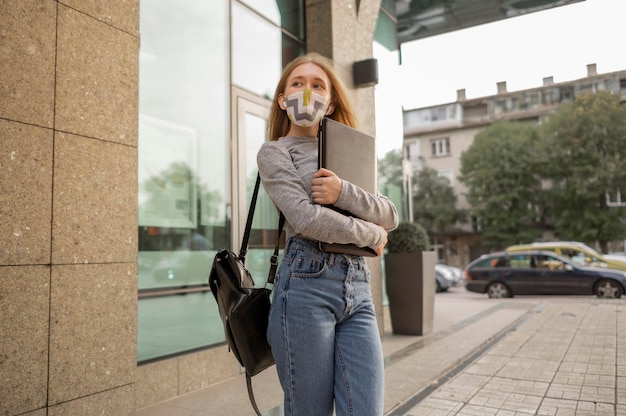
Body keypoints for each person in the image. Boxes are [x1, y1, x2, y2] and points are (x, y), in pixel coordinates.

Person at [257, 52, 399, 416]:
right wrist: (371, 235)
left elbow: (391, 214)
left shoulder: (348, 152)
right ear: (282, 98)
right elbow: (306, 219)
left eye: (318, 85)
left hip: (359, 289)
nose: (308, 92)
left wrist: (342, 192)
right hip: (305, 288)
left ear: (331, 100)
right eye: (298, 84)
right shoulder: (275, 152)